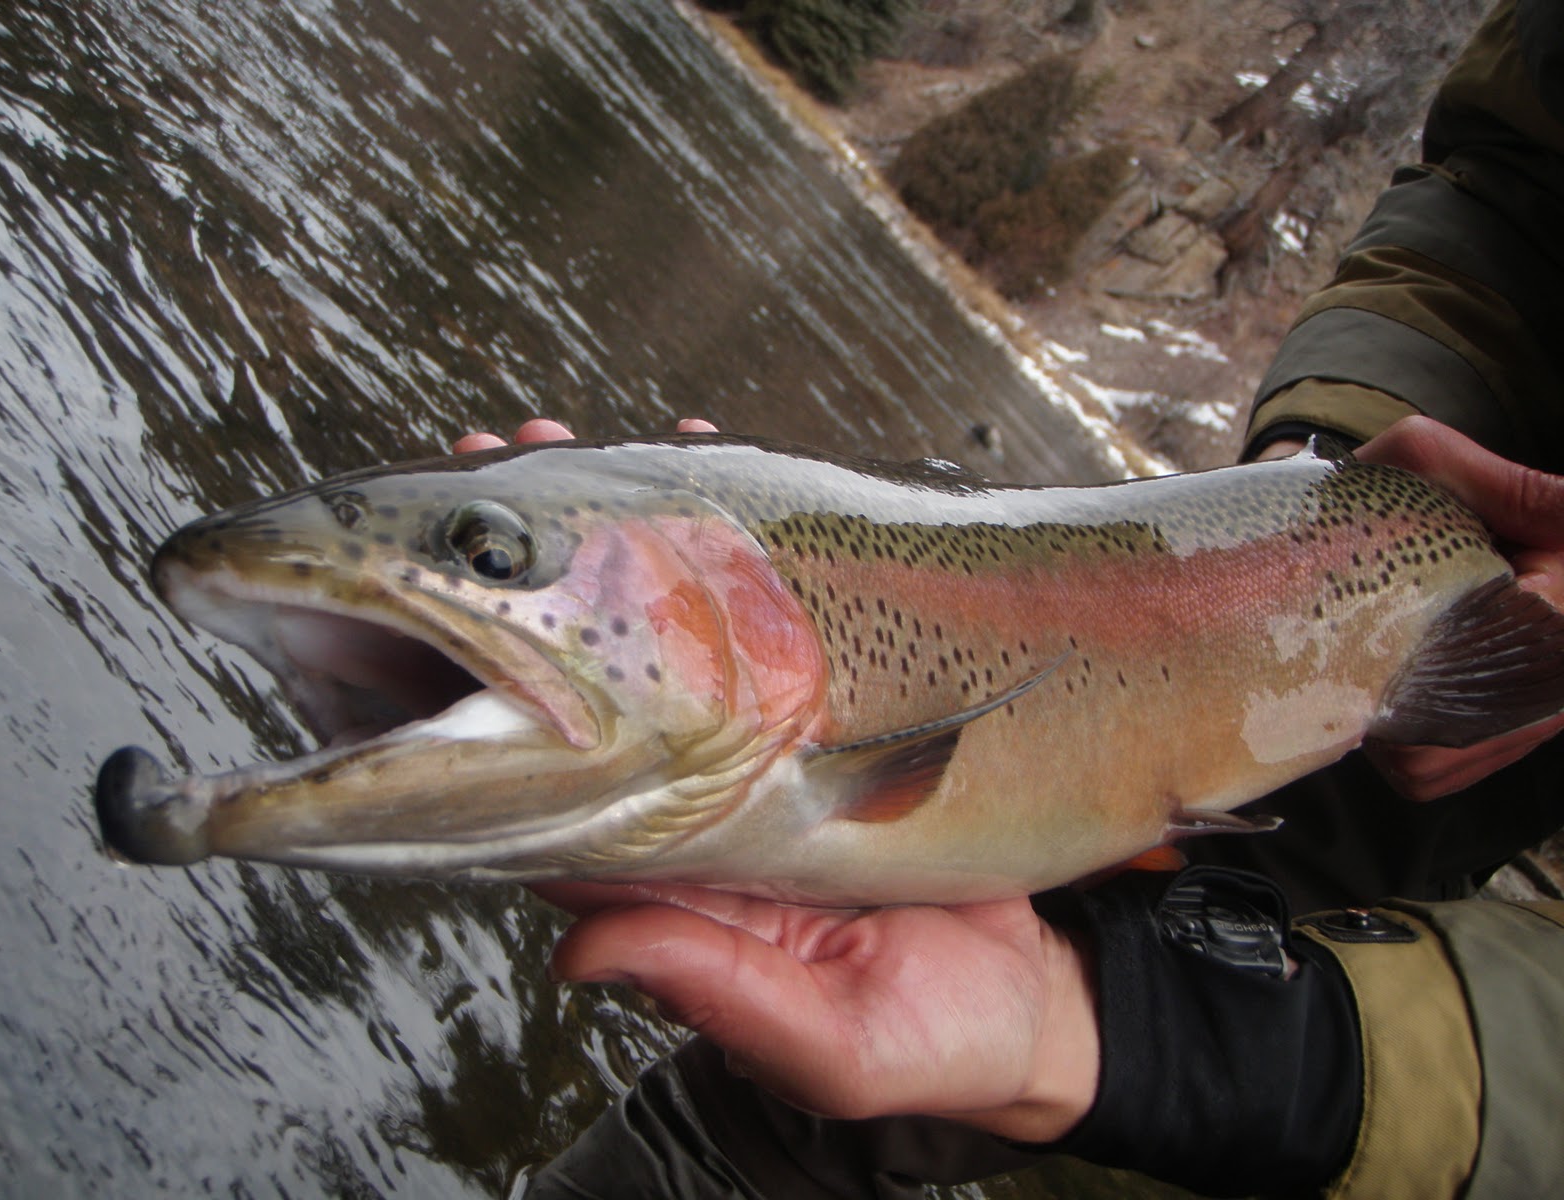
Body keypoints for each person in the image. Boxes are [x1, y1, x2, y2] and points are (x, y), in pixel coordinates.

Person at [479, 2, 1564, 1195]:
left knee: (1089, 1079)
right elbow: (1498, 194)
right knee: (827, 1028)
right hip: (1353, 616)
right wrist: (1314, 487)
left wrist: (1229, 1064)